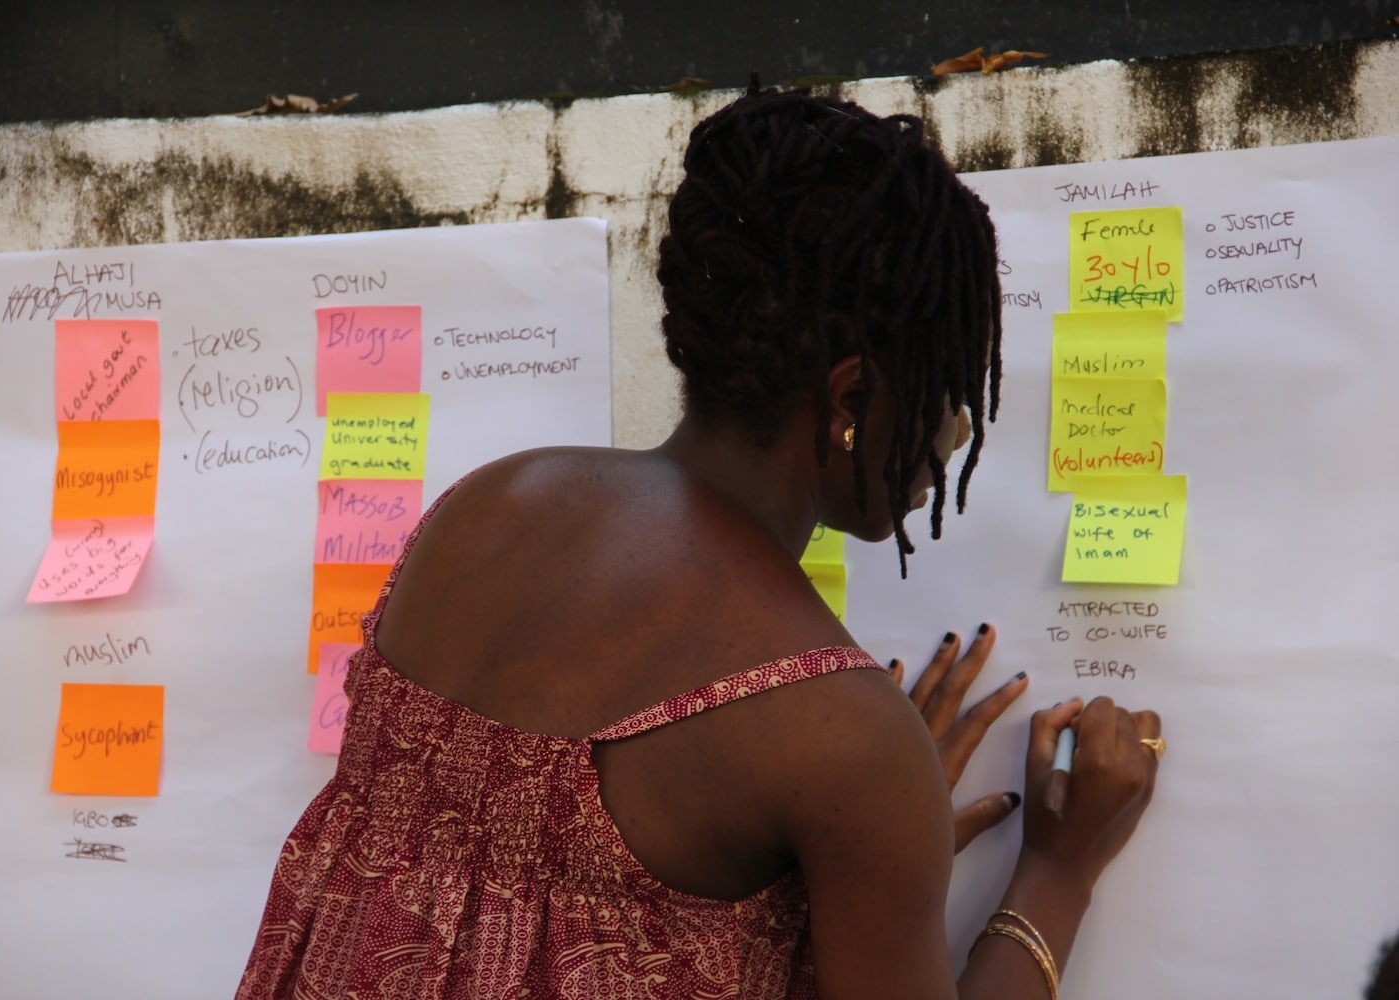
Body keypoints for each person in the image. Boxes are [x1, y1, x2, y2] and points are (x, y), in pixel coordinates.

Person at [236, 83, 1162, 999]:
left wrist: (857, 826)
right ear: (849, 401)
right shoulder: (842, 738)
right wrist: (1057, 873)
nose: (955, 431)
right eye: (948, 393)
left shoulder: (481, 510)